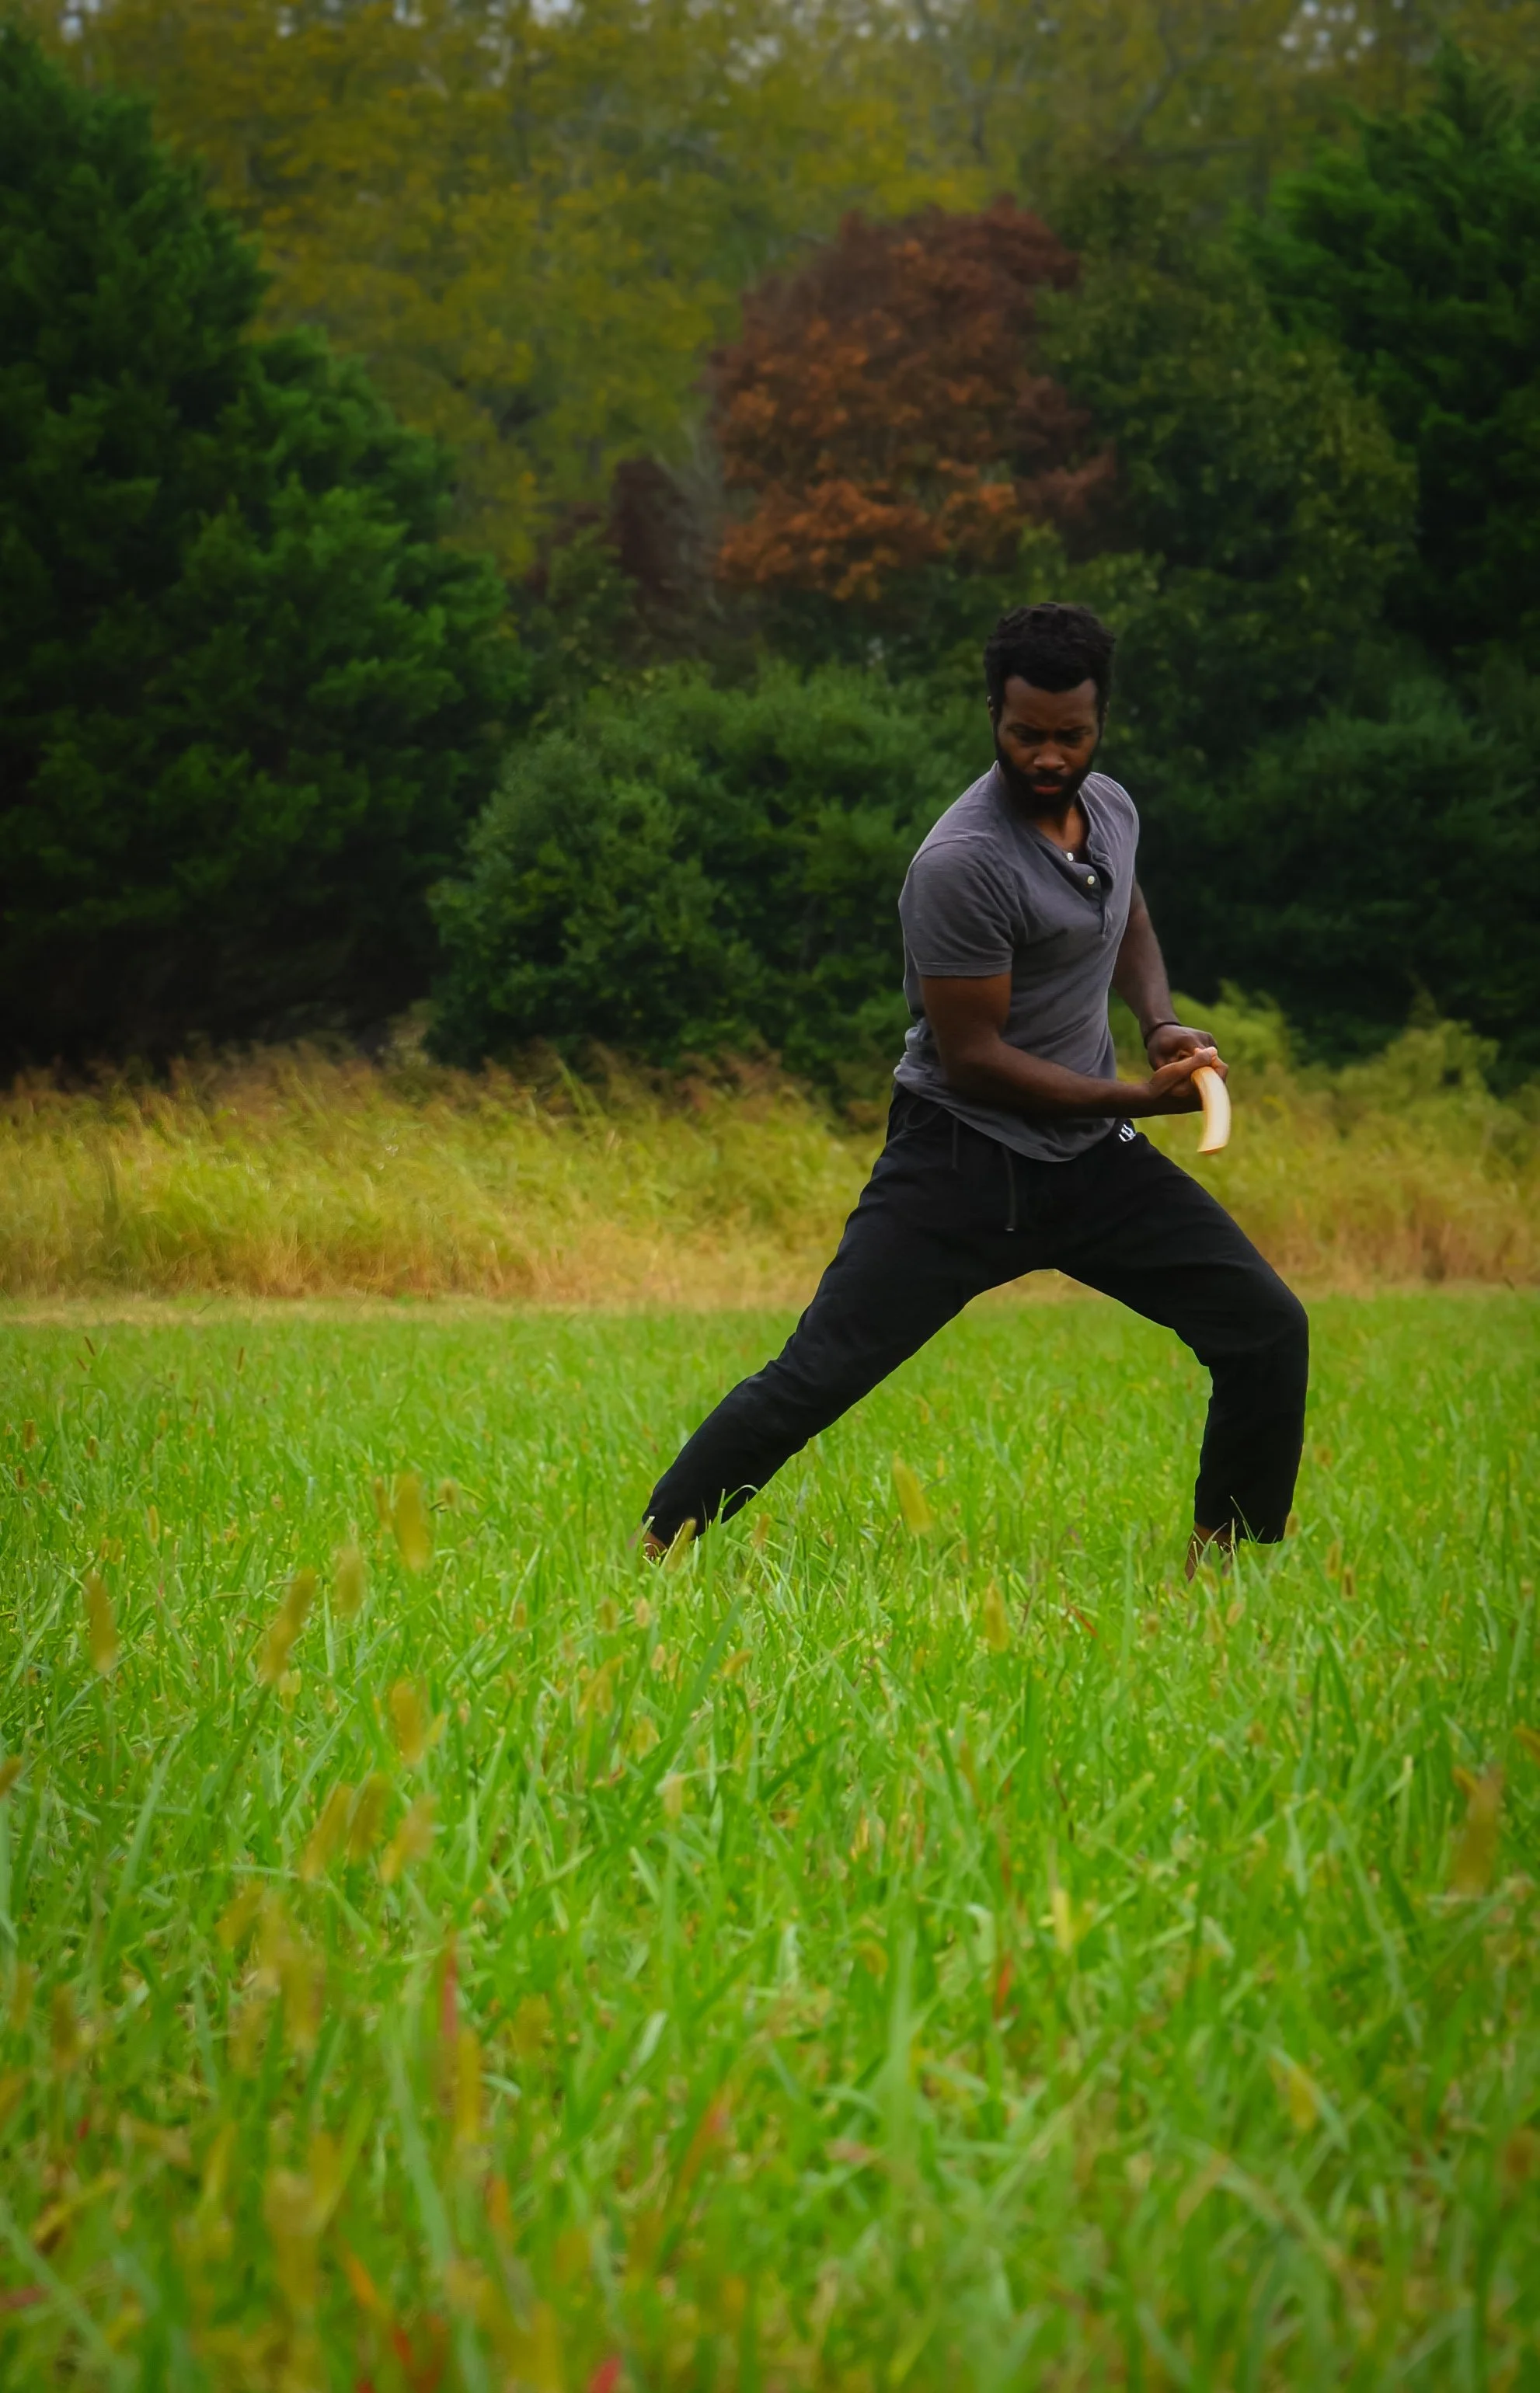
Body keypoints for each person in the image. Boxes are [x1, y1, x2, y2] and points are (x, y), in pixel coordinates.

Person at [643, 602, 1308, 1574]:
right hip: (959, 1161)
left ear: (1100, 721)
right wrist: (1138, 1097)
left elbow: (1125, 917)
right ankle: (660, 1541)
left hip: (1089, 1163)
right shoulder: (961, 864)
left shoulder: (1110, 808)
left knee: (1263, 1327)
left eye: (1070, 735)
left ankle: (1230, 1565)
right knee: (820, 1372)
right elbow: (976, 1060)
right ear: (992, 713)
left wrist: (1157, 1020)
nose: (1047, 755)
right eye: (1024, 733)